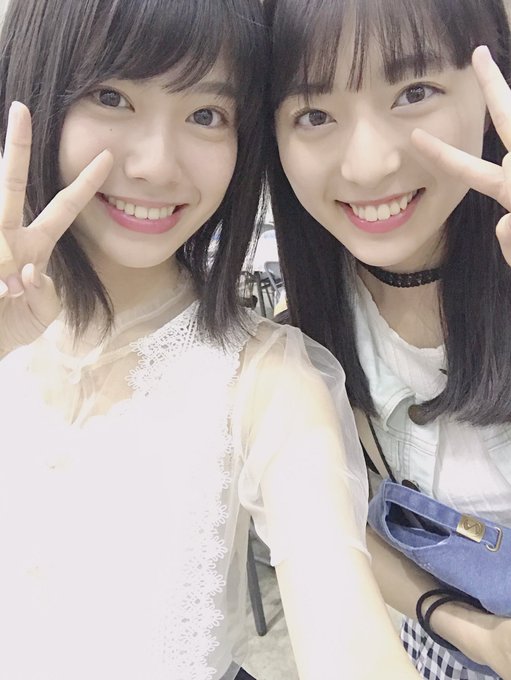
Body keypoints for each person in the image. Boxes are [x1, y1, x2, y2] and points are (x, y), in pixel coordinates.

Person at [0, 1, 423, 679]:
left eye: (205, 114)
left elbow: (340, 614)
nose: (157, 165)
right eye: (112, 97)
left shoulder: (266, 379)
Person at [266, 0, 511, 678]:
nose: (369, 166)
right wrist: (475, 634)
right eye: (314, 114)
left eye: (414, 91)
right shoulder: (300, 337)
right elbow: (343, 520)